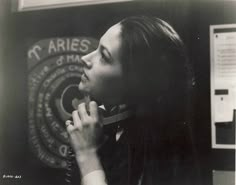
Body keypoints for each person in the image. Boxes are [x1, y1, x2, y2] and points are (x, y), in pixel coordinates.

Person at [65, 15, 198, 185]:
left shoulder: (155, 157)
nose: (85, 58)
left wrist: (87, 154)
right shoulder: (115, 136)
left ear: (136, 83)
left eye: (104, 56)